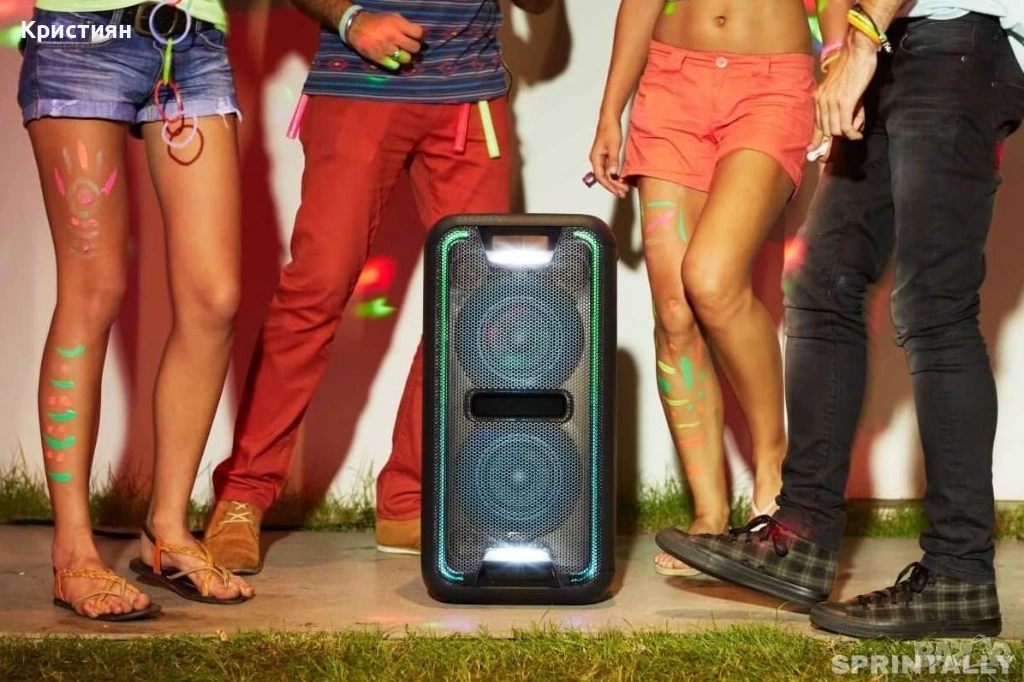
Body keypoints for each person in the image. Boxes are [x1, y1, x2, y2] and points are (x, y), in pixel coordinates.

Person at [656, 0, 1024, 638]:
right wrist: (858, 48)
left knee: (935, 306)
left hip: (957, 41)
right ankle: (802, 535)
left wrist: (860, 42)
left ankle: (959, 575)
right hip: (894, 43)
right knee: (822, 284)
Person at [203, 0, 554, 573]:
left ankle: (408, 500)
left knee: (476, 309)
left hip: (470, 96)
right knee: (316, 290)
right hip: (358, 84)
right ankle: (243, 496)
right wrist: (350, 19)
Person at [19, 0, 255, 619]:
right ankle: (73, 550)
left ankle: (166, 532)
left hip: (192, 40)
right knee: (94, 288)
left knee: (214, 297)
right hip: (80, 34)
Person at [589, 0, 827, 576]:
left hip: (771, 83)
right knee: (674, 311)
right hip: (671, 83)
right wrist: (610, 110)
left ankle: (773, 469)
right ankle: (709, 516)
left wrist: (838, 63)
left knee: (711, 279)